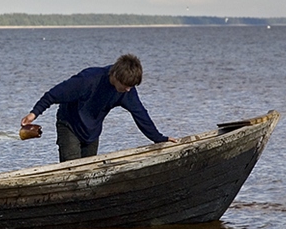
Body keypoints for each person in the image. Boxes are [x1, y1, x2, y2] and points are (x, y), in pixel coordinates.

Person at [20, 54, 177, 162]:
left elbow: (140, 115)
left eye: (132, 86)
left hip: (92, 132)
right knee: (73, 170)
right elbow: (53, 95)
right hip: (69, 125)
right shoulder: (88, 79)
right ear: (115, 75)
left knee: (89, 173)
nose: (128, 90)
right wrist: (34, 114)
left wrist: (159, 138)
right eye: (126, 85)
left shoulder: (127, 91)